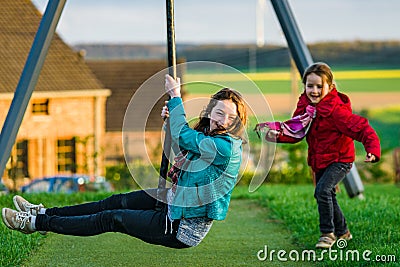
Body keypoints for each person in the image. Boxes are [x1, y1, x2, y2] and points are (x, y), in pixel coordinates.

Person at [2, 74, 248, 248]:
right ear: (209, 112)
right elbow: (181, 144)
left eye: (230, 117)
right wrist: (169, 122)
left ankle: (34, 223)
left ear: (238, 121)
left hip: (179, 227)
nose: (224, 120)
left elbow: (184, 135)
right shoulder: (207, 136)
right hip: (172, 202)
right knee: (113, 201)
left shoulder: (226, 148)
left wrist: (175, 98)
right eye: (219, 113)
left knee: (112, 217)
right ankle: (45, 213)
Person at [255, 62, 381, 249]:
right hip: (320, 160)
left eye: (319, 86)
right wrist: (277, 135)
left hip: (340, 159)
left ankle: (327, 234)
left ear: (329, 87)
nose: (314, 90)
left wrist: (372, 149)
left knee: (321, 191)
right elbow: (296, 131)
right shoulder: (305, 108)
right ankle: (343, 232)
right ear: (304, 86)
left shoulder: (336, 111)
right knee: (328, 193)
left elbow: (361, 128)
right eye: (310, 86)